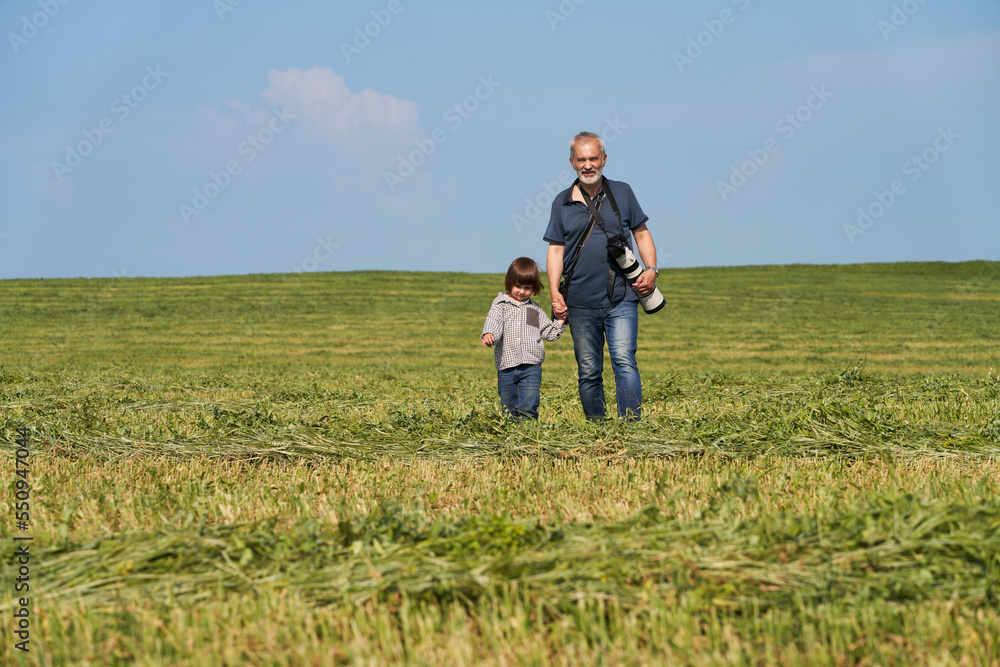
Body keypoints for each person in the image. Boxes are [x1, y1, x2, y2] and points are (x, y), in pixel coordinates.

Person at [543, 131, 659, 422]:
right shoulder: (562, 202)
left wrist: (652, 269)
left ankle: (630, 426)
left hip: (621, 297)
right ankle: (597, 427)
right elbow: (556, 250)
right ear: (571, 163)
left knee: (624, 361)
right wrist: (555, 292)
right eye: (581, 159)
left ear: (604, 159)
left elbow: (641, 234)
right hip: (580, 302)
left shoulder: (623, 192)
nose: (588, 165)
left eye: (593, 158)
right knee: (589, 370)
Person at [482, 257, 566, 420]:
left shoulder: (533, 310)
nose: (521, 291)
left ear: (534, 288)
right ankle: (511, 431)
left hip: (531, 366)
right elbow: (494, 321)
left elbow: (548, 333)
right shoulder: (501, 305)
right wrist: (489, 334)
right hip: (506, 365)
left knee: (529, 402)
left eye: (527, 288)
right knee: (508, 405)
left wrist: (560, 319)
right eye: (517, 286)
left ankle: (527, 431)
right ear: (509, 282)